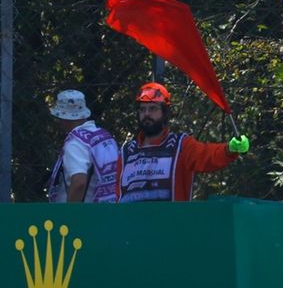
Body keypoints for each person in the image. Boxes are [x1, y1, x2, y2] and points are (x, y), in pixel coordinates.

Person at [118, 82, 250, 202]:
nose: (146, 114)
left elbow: (207, 156)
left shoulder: (180, 146)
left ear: (164, 113)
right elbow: (116, 197)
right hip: (132, 227)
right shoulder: (126, 152)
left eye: (153, 109)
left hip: (171, 226)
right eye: (142, 109)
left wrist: (229, 149)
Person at [46, 89, 119, 203]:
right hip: (108, 209)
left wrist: (72, 214)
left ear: (63, 118)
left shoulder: (75, 144)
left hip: (85, 215)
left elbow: (79, 182)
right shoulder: (105, 137)